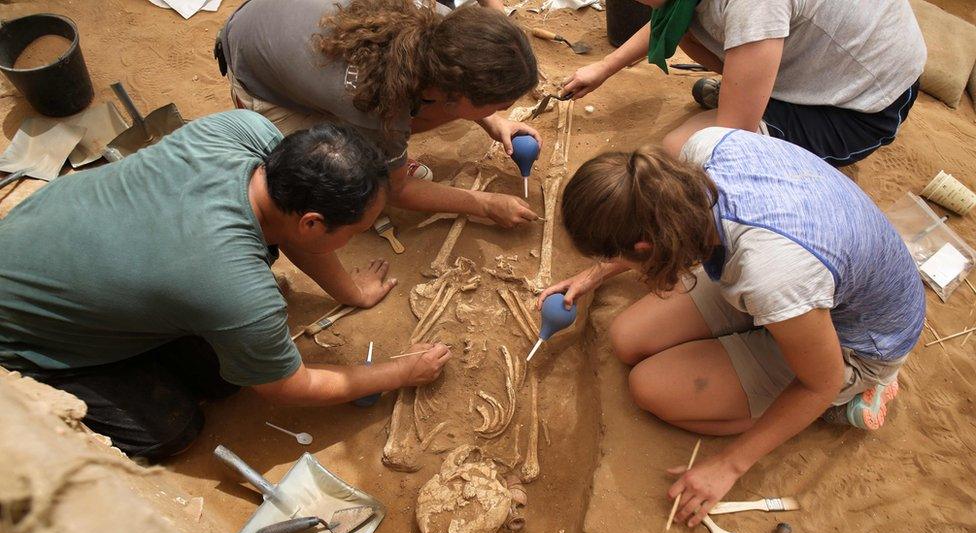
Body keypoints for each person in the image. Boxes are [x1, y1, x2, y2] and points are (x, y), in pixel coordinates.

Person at [0, 111, 451, 461]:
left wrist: (352, 293)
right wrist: (402, 372)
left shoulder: (245, 132)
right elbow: (287, 388)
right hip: (19, 335)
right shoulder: (236, 288)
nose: (352, 240)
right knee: (173, 429)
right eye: (352, 231)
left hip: (40, 237)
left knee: (221, 375)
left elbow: (295, 230)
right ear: (314, 223)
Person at [539, 127, 924, 526]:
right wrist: (597, 273)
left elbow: (819, 381)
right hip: (803, 286)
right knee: (627, 339)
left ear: (643, 247)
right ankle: (774, 337)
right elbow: (655, 222)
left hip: (856, 342)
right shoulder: (698, 153)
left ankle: (850, 400)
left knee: (650, 387)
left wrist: (728, 466)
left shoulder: (770, 274)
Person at [216, 0, 541, 227]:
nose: (504, 109)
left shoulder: (441, 27)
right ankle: (383, 160)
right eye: (500, 104)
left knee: (397, 135)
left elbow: (455, 83)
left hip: (277, 21)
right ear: (455, 94)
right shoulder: (378, 105)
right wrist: (484, 204)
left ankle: (388, 158)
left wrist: (495, 122)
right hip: (255, 72)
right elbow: (398, 191)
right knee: (348, 181)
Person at [562, 0, 926, 166]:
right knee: (684, 31)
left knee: (684, 149)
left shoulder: (753, 7)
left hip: (857, 107)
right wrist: (605, 67)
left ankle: (765, 105)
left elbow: (730, 137)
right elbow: (671, 16)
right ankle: (752, 88)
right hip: (823, 61)